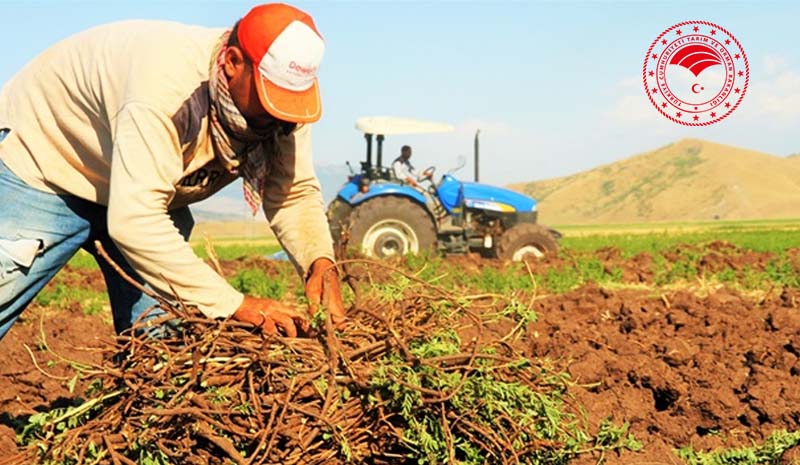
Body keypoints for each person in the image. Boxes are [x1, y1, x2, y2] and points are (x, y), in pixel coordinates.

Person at [0, 3, 345, 340]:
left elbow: (292, 193)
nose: (277, 116)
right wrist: (235, 304)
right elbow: (135, 220)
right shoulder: (165, 89)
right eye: (270, 98)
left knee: (159, 337)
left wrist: (319, 261)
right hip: (46, 163)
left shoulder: (284, 108)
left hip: (145, 194)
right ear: (233, 62)